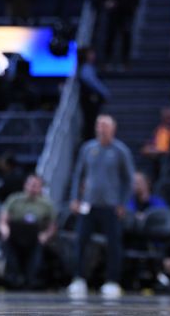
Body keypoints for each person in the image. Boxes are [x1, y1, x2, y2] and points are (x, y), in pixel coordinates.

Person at [68, 114, 135, 299]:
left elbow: (129, 180)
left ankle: (112, 282)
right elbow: (78, 175)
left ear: (113, 128)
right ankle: (79, 279)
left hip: (111, 206)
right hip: (88, 204)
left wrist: (123, 203)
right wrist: (74, 198)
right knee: (81, 241)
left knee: (113, 245)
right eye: (98, 124)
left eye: (105, 125)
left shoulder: (121, 150)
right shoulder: (88, 148)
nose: (101, 128)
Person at [0, 174, 56, 290]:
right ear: (25, 185)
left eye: (36, 185)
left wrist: (45, 236)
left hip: (35, 238)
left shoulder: (46, 204)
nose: (32, 187)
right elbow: (3, 220)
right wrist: (5, 231)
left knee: (38, 253)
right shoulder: (14, 199)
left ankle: (31, 281)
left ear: (41, 187)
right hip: (14, 236)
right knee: (8, 247)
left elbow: (52, 226)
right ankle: (13, 280)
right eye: (30, 184)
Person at [77, 47, 110, 142]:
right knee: (90, 122)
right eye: (91, 53)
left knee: (91, 122)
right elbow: (91, 81)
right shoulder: (86, 68)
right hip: (89, 100)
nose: (93, 55)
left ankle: (89, 140)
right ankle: (89, 142)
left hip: (89, 100)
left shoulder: (86, 67)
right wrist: (104, 92)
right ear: (86, 55)